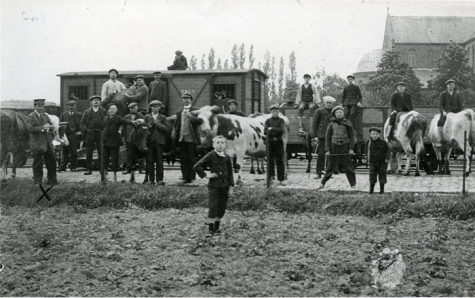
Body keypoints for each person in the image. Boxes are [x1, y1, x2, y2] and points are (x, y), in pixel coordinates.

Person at [193, 135, 234, 236]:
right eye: (218, 142)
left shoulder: (227, 157)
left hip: (225, 186)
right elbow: (197, 166)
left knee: (222, 207)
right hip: (214, 186)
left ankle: (217, 227)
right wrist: (206, 175)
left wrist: (231, 187)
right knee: (213, 206)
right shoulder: (211, 155)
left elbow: (230, 173)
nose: (220, 144)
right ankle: (211, 229)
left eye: (222, 143)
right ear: (213, 144)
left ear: (225, 145)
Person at [316, 105, 356, 190]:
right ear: (334, 114)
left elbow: (352, 137)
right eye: (337, 112)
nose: (339, 114)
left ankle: (353, 184)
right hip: (334, 146)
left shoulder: (348, 124)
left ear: (343, 113)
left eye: (340, 112)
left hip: (345, 146)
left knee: (348, 167)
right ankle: (323, 183)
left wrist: (351, 148)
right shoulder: (331, 125)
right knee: (330, 167)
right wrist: (327, 150)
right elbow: (327, 138)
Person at [172, 93, 204, 184]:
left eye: (188, 98)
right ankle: (185, 177)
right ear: (182, 100)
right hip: (182, 138)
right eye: (184, 98)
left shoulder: (195, 110)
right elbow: (177, 125)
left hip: (192, 138)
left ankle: (192, 177)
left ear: (191, 100)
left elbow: (200, 121)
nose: (186, 100)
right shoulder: (179, 111)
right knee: (183, 159)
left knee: (191, 158)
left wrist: (191, 117)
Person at [102, 103, 137, 182]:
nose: (112, 110)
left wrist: (133, 122)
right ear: (107, 110)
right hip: (105, 141)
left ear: (116, 110)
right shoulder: (105, 118)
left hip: (114, 142)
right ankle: (104, 177)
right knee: (105, 159)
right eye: (110, 109)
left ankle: (115, 178)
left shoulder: (118, 118)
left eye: (114, 109)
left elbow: (126, 121)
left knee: (115, 160)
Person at [27, 99, 58, 186]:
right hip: (37, 144)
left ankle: (52, 180)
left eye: (42, 106)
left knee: (51, 161)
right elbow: (30, 129)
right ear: (35, 106)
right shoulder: (30, 116)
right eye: (39, 106)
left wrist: (51, 127)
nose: (41, 108)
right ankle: (38, 181)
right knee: (38, 163)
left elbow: (50, 126)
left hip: (47, 143)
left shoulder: (45, 116)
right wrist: (43, 128)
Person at [144, 100, 171, 185]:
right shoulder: (147, 117)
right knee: (150, 161)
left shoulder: (163, 117)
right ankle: (151, 180)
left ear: (159, 108)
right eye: (153, 107)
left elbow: (167, 129)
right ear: (150, 108)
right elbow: (143, 128)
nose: (155, 108)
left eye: (157, 107)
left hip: (159, 142)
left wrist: (158, 124)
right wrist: (149, 126)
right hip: (150, 141)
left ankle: (160, 180)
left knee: (159, 161)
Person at [80, 95, 107, 175]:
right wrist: (86, 130)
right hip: (90, 133)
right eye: (94, 100)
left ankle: (102, 169)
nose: (96, 101)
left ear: (100, 102)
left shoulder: (103, 111)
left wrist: (104, 130)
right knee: (89, 151)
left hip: (100, 133)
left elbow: (107, 121)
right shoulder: (87, 112)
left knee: (101, 151)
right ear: (91, 102)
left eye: (97, 100)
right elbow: (82, 123)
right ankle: (88, 169)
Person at [311, 96, 336, 179]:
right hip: (321, 135)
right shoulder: (319, 111)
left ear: (332, 104)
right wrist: (314, 136)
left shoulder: (335, 112)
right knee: (321, 154)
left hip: (332, 136)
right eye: (327, 103)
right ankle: (319, 172)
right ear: (324, 103)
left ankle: (328, 173)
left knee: (330, 155)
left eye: (330, 103)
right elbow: (314, 124)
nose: (328, 104)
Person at [264, 104, 286, 186]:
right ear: (271, 112)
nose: (275, 112)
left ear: (279, 112)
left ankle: (281, 179)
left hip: (279, 142)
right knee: (270, 161)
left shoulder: (281, 121)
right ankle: (270, 177)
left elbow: (282, 130)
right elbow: (265, 131)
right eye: (273, 111)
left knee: (280, 161)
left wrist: (271, 129)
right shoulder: (268, 121)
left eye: (276, 111)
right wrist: (273, 131)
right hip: (270, 143)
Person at [437, 79, 463, 145]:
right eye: (450, 85)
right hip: (446, 113)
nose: (451, 86)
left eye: (453, 85)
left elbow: (460, 105)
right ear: (447, 86)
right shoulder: (443, 94)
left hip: (455, 113)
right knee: (440, 122)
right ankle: (439, 139)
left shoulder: (457, 95)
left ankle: (460, 139)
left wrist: (460, 113)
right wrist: (443, 111)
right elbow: (440, 104)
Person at [121, 102, 145, 175]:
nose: (133, 109)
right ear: (129, 109)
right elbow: (123, 128)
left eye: (134, 108)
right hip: (129, 138)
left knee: (141, 154)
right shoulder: (126, 117)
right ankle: (128, 168)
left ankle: (141, 168)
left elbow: (144, 128)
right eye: (131, 108)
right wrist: (123, 137)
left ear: (137, 108)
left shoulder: (141, 116)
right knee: (129, 154)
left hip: (138, 139)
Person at [59, 100, 82, 172]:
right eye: (70, 106)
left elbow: (82, 124)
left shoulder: (79, 115)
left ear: (75, 106)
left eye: (73, 105)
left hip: (74, 135)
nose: (71, 107)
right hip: (65, 135)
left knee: (73, 152)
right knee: (64, 151)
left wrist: (80, 132)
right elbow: (60, 125)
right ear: (67, 106)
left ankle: (73, 167)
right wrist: (61, 135)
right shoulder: (63, 115)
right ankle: (63, 167)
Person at [366, 127, 390, 194]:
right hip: (372, 162)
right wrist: (367, 160)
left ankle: (382, 191)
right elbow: (367, 151)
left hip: (382, 162)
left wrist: (387, 158)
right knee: (372, 176)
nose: (375, 135)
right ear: (370, 135)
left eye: (376, 134)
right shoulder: (368, 143)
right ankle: (371, 191)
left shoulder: (383, 142)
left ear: (379, 135)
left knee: (382, 175)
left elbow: (388, 150)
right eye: (373, 134)